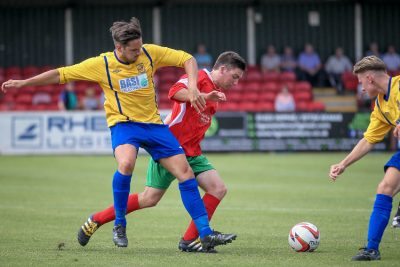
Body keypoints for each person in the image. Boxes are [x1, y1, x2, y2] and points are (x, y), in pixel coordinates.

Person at [1, 17, 235, 252]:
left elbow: (188, 59)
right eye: (133, 50)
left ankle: (204, 234)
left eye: (140, 47)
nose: (138, 53)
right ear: (119, 48)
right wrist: (24, 84)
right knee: (126, 164)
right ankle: (120, 225)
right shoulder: (101, 64)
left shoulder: (149, 53)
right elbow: (61, 74)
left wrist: (194, 87)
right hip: (124, 124)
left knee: (184, 174)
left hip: (153, 125)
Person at [77, 51, 246, 252]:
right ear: (223, 69)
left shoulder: (216, 92)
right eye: (234, 77)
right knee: (149, 198)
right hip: (172, 148)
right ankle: (96, 219)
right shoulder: (199, 77)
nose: (236, 82)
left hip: (193, 151)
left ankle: (191, 239)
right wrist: (198, 94)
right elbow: (175, 92)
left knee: (216, 189)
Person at [329, 55, 400, 261]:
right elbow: (368, 140)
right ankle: (372, 249)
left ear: (369, 78)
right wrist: (343, 164)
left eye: (360, 82)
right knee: (385, 187)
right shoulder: (380, 106)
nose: (361, 88)